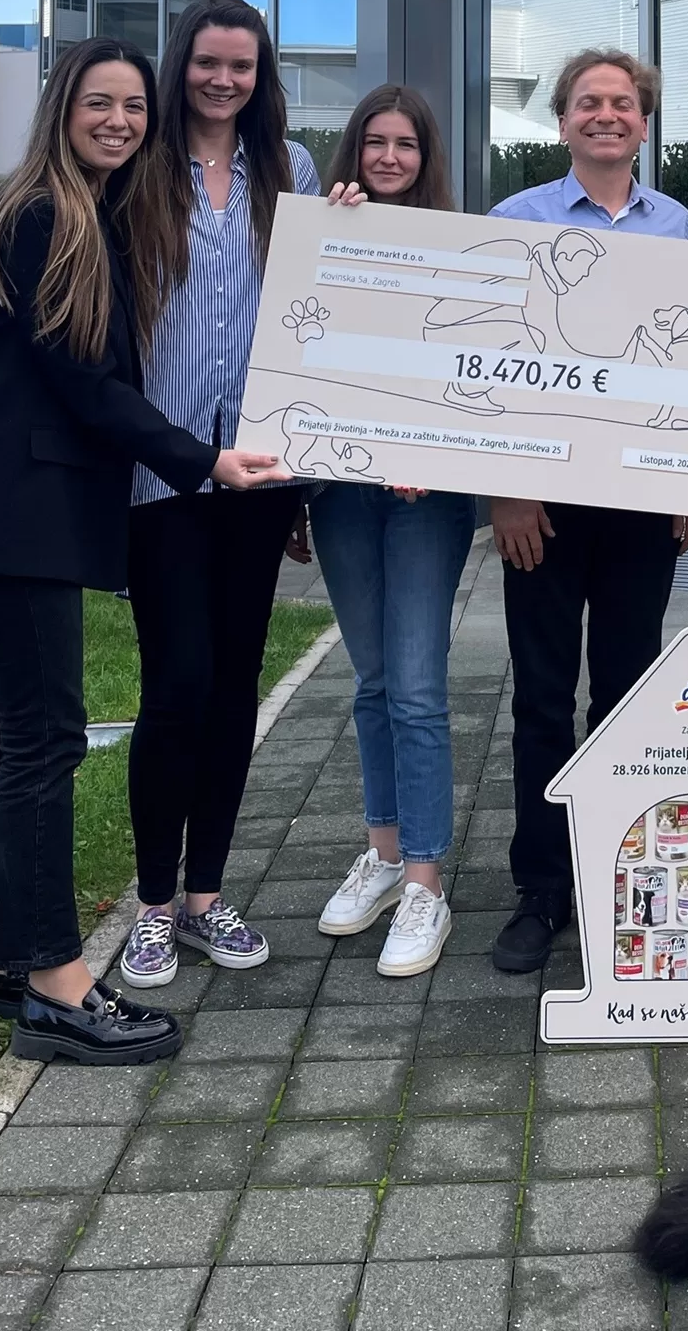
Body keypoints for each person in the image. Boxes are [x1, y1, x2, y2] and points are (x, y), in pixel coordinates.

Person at [0, 39, 285, 1065]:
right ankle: (56, 985)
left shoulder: (75, 208)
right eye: (98, 103)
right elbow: (86, 382)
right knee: (45, 741)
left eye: (132, 107)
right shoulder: (42, 215)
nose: (118, 121)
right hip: (18, 514)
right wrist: (203, 461)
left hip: (10, 513)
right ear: (61, 109)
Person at [486, 48, 688, 973]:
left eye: (623, 103)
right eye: (588, 102)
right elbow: (491, 364)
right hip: (541, 506)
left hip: (641, 503)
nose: (606, 114)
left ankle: (619, 873)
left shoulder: (679, 226)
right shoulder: (514, 221)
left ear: (643, 124)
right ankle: (542, 888)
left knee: (626, 692)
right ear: (564, 121)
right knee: (542, 699)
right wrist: (506, 490)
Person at [117, 0, 321, 991]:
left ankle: (205, 896)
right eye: (209, 62)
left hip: (261, 470)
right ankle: (153, 906)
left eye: (242, 66)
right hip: (162, 468)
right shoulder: (138, 170)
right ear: (181, 64)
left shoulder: (292, 173)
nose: (224, 80)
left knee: (236, 683)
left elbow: (321, 299)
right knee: (178, 683)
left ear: (260, 75)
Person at [309, 86, 477, 977]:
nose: (388, 157)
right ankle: (381, 855)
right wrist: (329, 238)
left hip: (427, 499)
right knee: (371, 682)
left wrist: (430, 449)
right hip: (341, 490)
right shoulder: (321, 234)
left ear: (426, 157)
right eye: (374, 141)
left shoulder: (462, 250)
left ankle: (425, 883)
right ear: (354, 150)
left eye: (405, 144)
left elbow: (477, 377)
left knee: (415, 688)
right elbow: (296, 349)